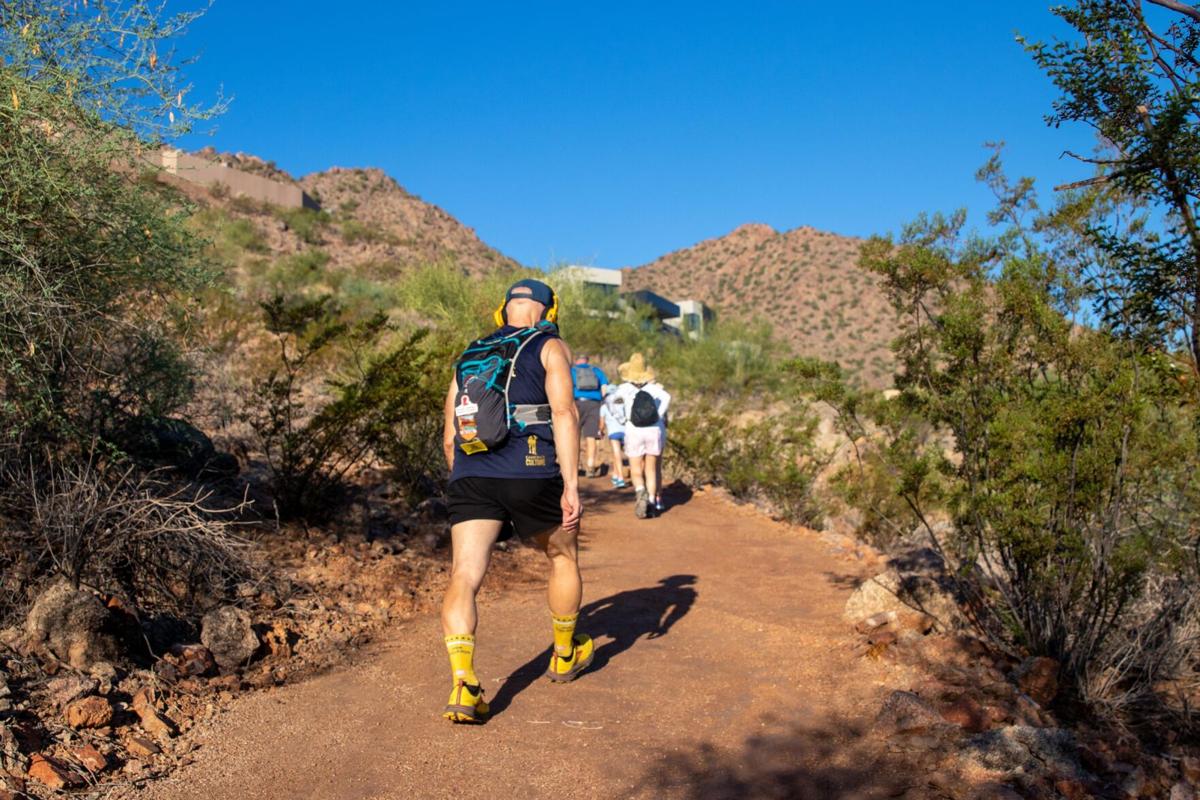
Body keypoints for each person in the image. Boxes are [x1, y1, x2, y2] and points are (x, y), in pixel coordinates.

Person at [439, 278, 592, 724]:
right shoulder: (548, 346)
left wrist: (463, 477)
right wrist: (571, 485)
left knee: (464, 574)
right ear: (548, 311)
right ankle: (564, 654)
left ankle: (464, 683)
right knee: (563, 556)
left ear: (502, 310)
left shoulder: (470, 353)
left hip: (471, 475)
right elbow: (565, 413)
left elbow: (450, 434)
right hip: (530, 470)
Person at [615, 353, 671, 519]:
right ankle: (652, 502)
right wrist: (658, 415)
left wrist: (622, 418)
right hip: (653, 429)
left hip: (633, 429)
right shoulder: (654, 389)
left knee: (636, 468)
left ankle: (641, 492)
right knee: (651, 469)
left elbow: (611, 402)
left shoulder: (624, 389)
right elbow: (667, 397)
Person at [570, 354, 608, 478]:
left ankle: (573, 466)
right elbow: (604, 389)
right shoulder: (596, 370)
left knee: (574, 435)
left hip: (576, 403)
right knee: (591, 436)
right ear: (587, 360)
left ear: (577, 360)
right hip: (594, 404)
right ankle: (590, 467)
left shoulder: (572, 370)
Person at [600, 384, 628, 488]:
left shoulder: (604, 406)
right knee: (623, 454)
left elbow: (602, 424)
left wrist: (601, 431)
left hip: (613, 433)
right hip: (626, 431)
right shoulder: (623, 404)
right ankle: (616, 476)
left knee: (617, 455)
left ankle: (620, 478)